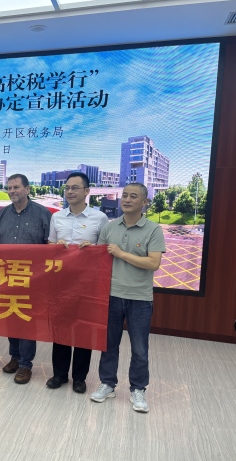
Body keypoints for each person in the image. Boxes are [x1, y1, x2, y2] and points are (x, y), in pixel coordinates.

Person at [90, 182, 165, 413]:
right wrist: (85, 249)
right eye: (124, 195)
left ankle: (138, 389)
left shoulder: (153, 229)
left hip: (139, 298)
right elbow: (99, 258)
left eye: (133, 196)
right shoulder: (110, 227)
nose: (127, 200)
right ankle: (107, 383)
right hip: (111, 295)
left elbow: (153, 263)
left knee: (140, 348)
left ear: (144, 202)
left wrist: (122, 254)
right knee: (108, 345)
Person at [46, 173, 109, 393]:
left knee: (84, 328)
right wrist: (56, 246)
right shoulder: (57, 217)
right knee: (61, 328)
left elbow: (105, 251)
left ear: (87, 191)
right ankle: (59, 374)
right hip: (61, 281)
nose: (70, 192)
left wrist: (93, 250)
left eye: (75, 188)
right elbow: (50, 246)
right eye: (67, 188)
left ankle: (80, 378)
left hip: (88, 282)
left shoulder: (99, 218)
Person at [0, 174, 51, 384]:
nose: (12, 191)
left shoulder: (42, 214)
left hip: (31, 279)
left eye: (16, 187)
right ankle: (15, 357)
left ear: (27, 189)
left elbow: (49, 247)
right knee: (11, 316)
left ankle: (26, 364)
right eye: (9, 188)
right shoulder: (2, 214)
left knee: (26, 320)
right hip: (6, 277)